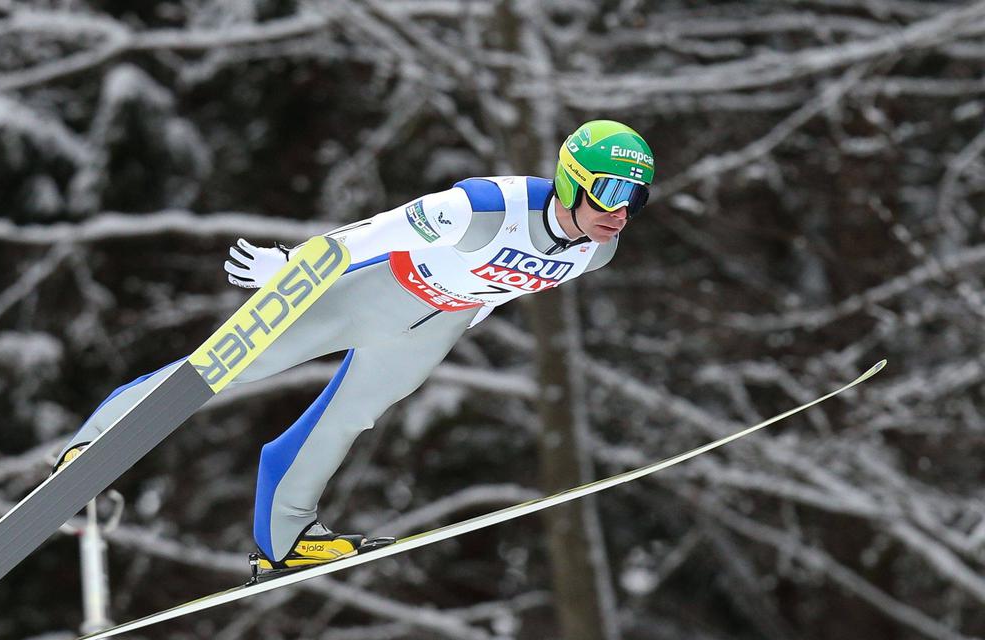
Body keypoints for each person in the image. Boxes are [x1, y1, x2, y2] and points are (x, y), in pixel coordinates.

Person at [55, 119, 655, 581]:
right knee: (229, 366)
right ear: (572, 178)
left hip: (434, 325)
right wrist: (291, 268)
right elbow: (365, 235)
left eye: (636, 197)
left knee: (349, 418)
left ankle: (284, 541)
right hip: (372, 292)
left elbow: (506, 284)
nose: (621, 213)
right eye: (609, 191)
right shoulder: (481, 207)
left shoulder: (595, 251)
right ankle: (95, 444)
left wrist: (461, 321)